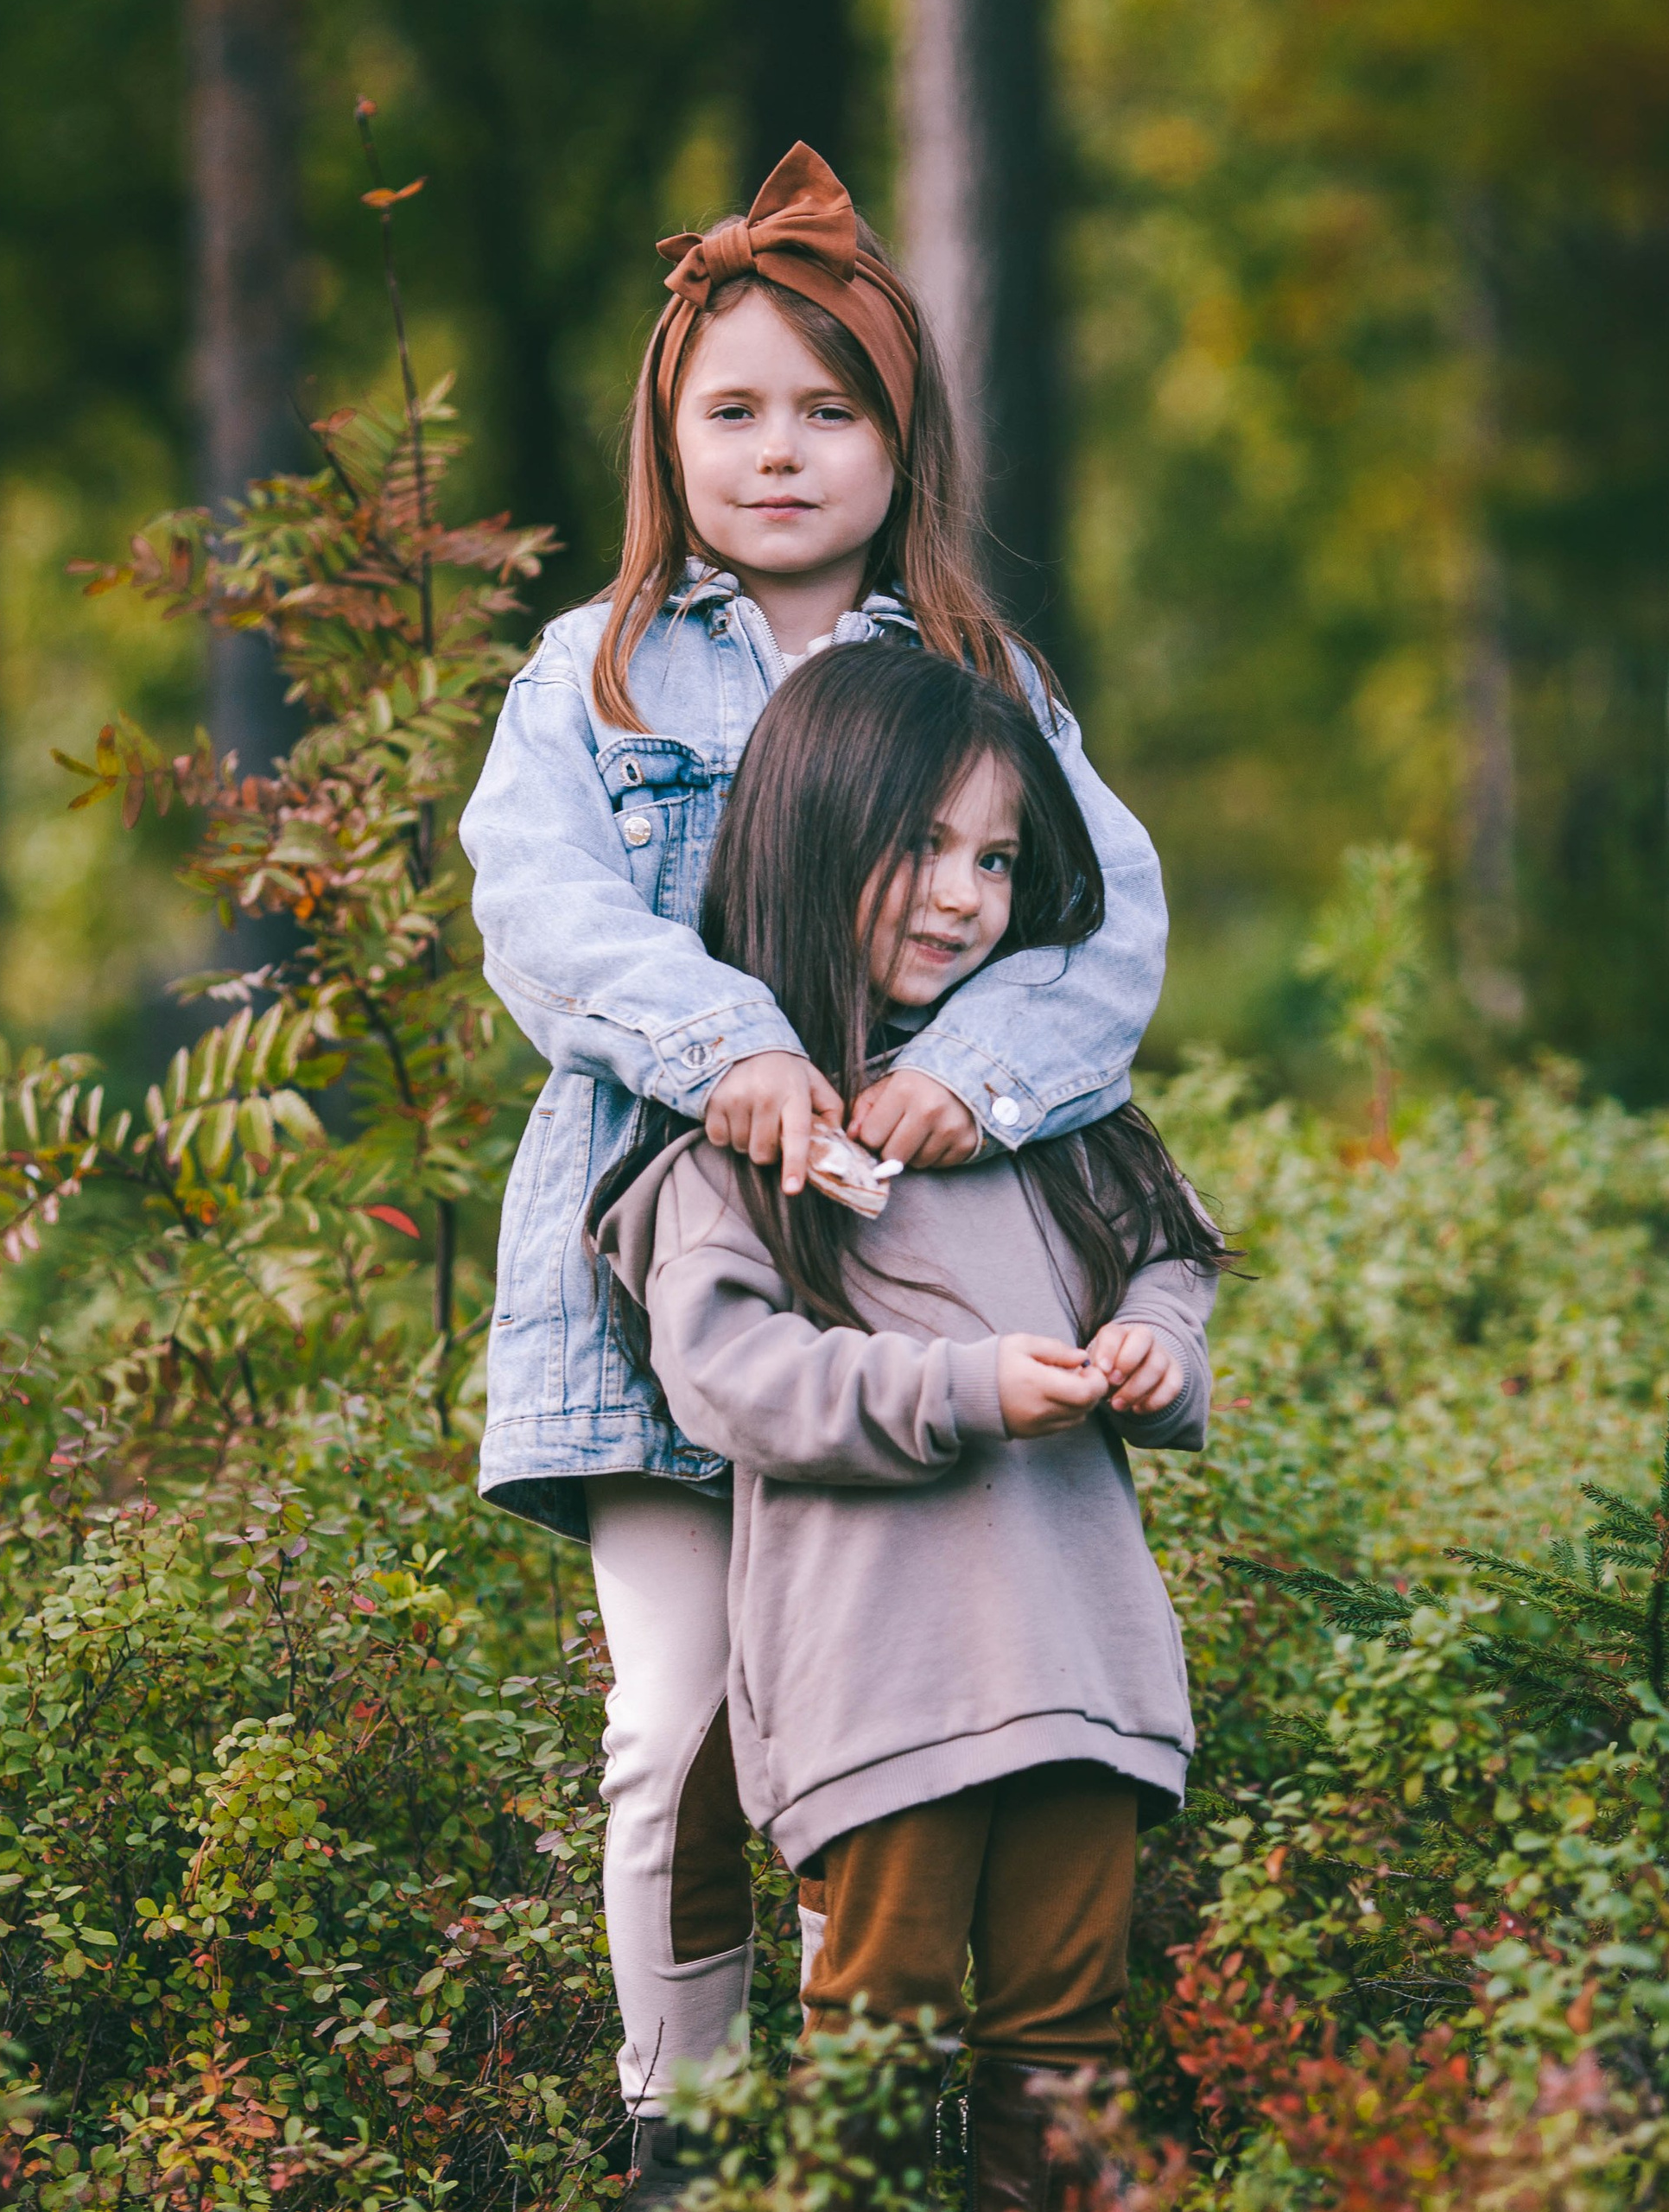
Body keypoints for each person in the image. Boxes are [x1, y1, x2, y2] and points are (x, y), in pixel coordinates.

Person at [458, 142, 1170, 2196]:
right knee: (676, 1717)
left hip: (910, 1277)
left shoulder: (981, 677)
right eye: (733, 411)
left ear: (899, 439)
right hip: (661, 1269)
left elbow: (1099, 924)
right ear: (665, 436)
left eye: (829, 410)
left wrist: (971, 1078)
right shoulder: (594, 673)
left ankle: (878, 2118)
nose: (779, 452)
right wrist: (736, 1046)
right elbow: (539, 911)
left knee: (884, 1719)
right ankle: (686, 2129)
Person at [592, 643, 1226, 2209]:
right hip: (883, 1684)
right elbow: (731, 1378)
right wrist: (966, 1388)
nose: (964, 896)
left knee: (1068, 2048)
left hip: (1079, 1662)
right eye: (922, 845)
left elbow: (1171, 1255)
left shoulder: (1042, 1115)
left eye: (997, 859)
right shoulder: (737, 1152)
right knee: (876, 2040)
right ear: (809, 841)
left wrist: (1152, 1348)